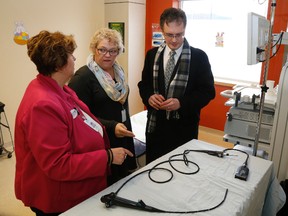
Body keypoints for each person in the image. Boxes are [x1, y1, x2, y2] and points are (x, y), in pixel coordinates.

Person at [14, 30, 133, 216]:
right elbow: (58, 165)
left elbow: (82, 119)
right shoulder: (43, 104)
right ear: (60, 63)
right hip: (57, 197)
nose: (75, 58)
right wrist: (107, 157)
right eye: (71, 54)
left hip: (80, 183)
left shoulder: (59, 89)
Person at [138, 8, 215, 163]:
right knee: (154, 171)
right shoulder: (152, 55)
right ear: (162, 30)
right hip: (156, 129)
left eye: (179, 34)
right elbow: (143, 84)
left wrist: (181, 103)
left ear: (185, 29)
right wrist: (149, 97)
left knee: (182, 172)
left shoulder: (199, 57)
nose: (174, 40)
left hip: (184, 129)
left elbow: (208, 92)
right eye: (169, 35)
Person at [68, 28, 137, 185]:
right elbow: (80, 117)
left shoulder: (118, 71)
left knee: (123, 180)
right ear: (94, 49)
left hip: (122, 132)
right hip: (101, 139)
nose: (108, 55)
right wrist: (112, 127)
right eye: (102, 50)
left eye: (113, 51)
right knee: (108, 184)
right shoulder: (83, 77)